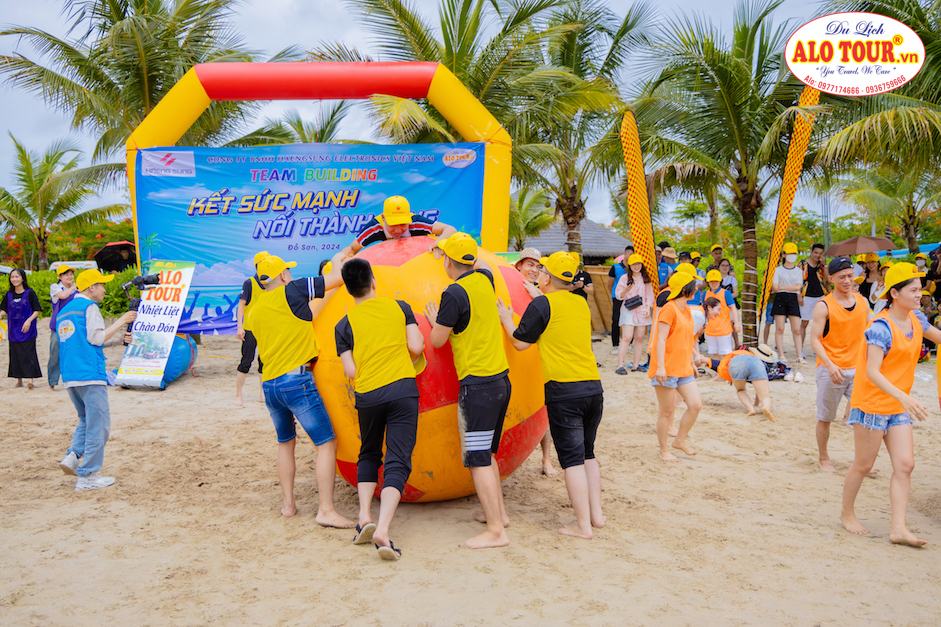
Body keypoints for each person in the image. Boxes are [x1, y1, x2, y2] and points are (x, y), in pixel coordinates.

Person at [496, 251, 605, 540]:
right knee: (588, 454)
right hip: (593, 388)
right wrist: (539, 296)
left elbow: (520, 342)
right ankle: (596, 516)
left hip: (564, 390)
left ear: (546, 278)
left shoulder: (543, 304)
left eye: (542, 271)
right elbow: (556, 314)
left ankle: (582, 526)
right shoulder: (580, 303)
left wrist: (507, 319)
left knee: (571, 461)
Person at [243, 253, 355, 527]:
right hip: (297, 382)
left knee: (285, 442)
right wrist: (339, 260)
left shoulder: (254, 310)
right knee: (326, 443)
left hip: (270, 386)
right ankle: (325, 510)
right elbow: (338, 278)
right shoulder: (293, 289)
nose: (291, 275)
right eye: (288, 272)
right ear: (283, 275)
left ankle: (288, 505)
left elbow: (304, 316)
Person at [840, 262, 941, 547]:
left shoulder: (916, 318)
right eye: (913, 290)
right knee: (863, 465)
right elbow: (872, 372)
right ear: (894, 294)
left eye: (920, 290)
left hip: (897, 405)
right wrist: (905, 397)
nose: (920, 294)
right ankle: (847, 513)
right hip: (872, 405)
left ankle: (899, 528)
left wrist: (902, 399)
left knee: (906, 465)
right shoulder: (881, 327)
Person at [425, 232, 511, 549]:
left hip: (478, 386)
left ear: (448, 261)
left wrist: (436, 320)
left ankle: (496, 532)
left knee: (478, 459)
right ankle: (500, 516)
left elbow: (437, 340)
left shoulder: (454, 293)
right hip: (501, 380)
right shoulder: (485, 279)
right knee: (487, 454)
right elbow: (480, 263)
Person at [336, 258, 425, 561]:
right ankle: (383, 529)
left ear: (349, 290)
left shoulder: (343, 325)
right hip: (402, 391)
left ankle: (364, 516)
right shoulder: (399, 307)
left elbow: (351, 371)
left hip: (367, 395)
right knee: (397, 460)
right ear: (373, 282)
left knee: (369, 452)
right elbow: (417, 347)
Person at [56, 269, 135, 490]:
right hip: (90, 373)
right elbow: (96, 337)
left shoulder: (65, 310)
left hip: (71, 375)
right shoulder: (90, 307)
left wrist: (117, 341)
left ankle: (72, 456)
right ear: (92, 287)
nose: (104, 290)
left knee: (85, 419)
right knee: (98, 426)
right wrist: (122, 320)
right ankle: (88, 475)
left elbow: (85, 341)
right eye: (102, 285)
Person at [810, 257, 871, 473]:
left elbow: (868, 334)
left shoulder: (863, 302)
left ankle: (862, 461)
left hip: (859, 368)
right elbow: (815, 340)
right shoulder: (823, 305)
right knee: (826, 417)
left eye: (850, 276)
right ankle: (823, 458)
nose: (847, 280)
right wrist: (829, 364)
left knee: (865, 417)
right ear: (831, 278)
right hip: (831, 369)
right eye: (842, 277)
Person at [513, 246, 557, 476]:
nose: (534, 270)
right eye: (530, 264)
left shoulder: (541, 292)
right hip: (513, 354)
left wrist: (537, 295)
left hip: (535, 356)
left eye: (538, 267)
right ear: (519, 265)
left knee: (543, 410)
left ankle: (546, 459)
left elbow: (554, 313)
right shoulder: (508, 284)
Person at [649, 271, 702, 462]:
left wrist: (691, 361)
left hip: (683, 366)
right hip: (667, 368)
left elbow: (686, 339)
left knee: (695, 405)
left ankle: (679, 440)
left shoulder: (686, 309)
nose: (697, 288)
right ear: (684, 288)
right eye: (694, 285)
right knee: (666, 412)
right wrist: (661, 367)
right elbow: (660, 339)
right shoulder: (669, 309)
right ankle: (664, 451)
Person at [340, 195, 456, 260]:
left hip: (422, 257)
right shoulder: (375, 227)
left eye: (403, 224)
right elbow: (351, 249)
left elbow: (450, 229)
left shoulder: (415, 222)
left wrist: (439, 242)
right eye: (393, 225)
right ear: (383, 218)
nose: (398, 230)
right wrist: (344, 259)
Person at [235, 251, 268, 406]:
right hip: (250, 328)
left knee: (264, 361)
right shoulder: (249, 283)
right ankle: (238, 395)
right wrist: (239, 327)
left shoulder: (271, 282)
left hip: (266, 329)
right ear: (258, 265)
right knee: (246, 361)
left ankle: (262, 393)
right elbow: (241, 304)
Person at [1, 268, 43, 388]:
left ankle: (30, 380)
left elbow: (37, 310)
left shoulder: (30, 293)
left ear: (23, 278)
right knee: (15, 355)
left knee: (29, 353)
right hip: (13, 330)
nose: (14, 279)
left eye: (17, 276)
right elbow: (4, 309)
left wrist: (29, 320)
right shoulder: (8, 295)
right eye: (12, 277)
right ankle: (19, 381)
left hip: (27, 329)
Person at [709, 348, 776, 421]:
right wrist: (756, 404)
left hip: (736, 362)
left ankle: (751, 409)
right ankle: (766, 407)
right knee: (764, 396)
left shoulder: (737, 353)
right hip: (756, 364)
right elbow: (758, 391)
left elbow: (722, 366)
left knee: (741, 390)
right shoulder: (760, 361)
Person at [614, 254, 654, 374]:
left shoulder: (645, 278)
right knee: (627, 337)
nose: (637, 266)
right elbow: (618, 295)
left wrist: (648, 308)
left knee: (640, 338)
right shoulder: (624, 278)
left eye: (638, 264)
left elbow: (649, 295)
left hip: (642, 310)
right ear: (629, 266)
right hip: (629, 309)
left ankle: (636, 365)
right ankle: (620, 365)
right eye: (634, 264)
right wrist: (626, 289)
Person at [772, 243, 805, 364]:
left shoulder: (798, 271)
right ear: (784, 254)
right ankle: (781, 355)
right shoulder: (778, 270)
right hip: (780, 298)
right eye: (789, 253)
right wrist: (782, 288)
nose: (792, 256)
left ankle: (799, 356)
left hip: (793, 299)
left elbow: (798, 287)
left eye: (794, 253)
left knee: (797, 329)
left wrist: (782, 287)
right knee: (780, 328)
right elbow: (774, 287)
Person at [48, 264, 77, 390]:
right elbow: (63, 296)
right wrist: (74, 287)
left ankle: (72, 381)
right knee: (55, 354)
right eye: (66, 275)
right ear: (59, 277)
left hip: (73, 326)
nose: (70, 277)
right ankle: (52, 383)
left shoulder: (76, 289)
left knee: (73, 353)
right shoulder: (55, 287)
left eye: (71, 274)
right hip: (58, 326)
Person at [799, 243, 829, 357]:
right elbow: (797, 279)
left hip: (820, 295)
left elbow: (828, 279)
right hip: (806, 295)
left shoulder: (822, 265)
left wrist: (825, 264)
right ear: (811, 252)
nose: (818, 255)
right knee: (804, 323)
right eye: (816, 252)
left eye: (820, 253)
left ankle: (819, 348)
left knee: (822, 323)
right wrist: (798, 295)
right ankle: (800, 348)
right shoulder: (803, 263)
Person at [703, 269, 740, 357]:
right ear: (708, 282)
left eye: (716, 281)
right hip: (710, 330)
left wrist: (736, 322)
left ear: (720, 281)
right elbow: (704, 310)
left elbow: (733, 308)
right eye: (711, 281)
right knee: (715, 354)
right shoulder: (705, 293)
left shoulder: (726, 293)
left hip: (724, 330)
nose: (714, 283)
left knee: (725, 354)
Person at [607, 247, 632, 354]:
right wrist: (613, 294)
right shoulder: (615, 267)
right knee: (616, 319)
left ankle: (630, 343)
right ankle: (615, 345)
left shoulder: (634, 267)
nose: (631, 257)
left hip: (630, 297)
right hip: (617, 297)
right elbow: (609, 283)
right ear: (625, 254)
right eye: (629, 254)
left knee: (631, 320)